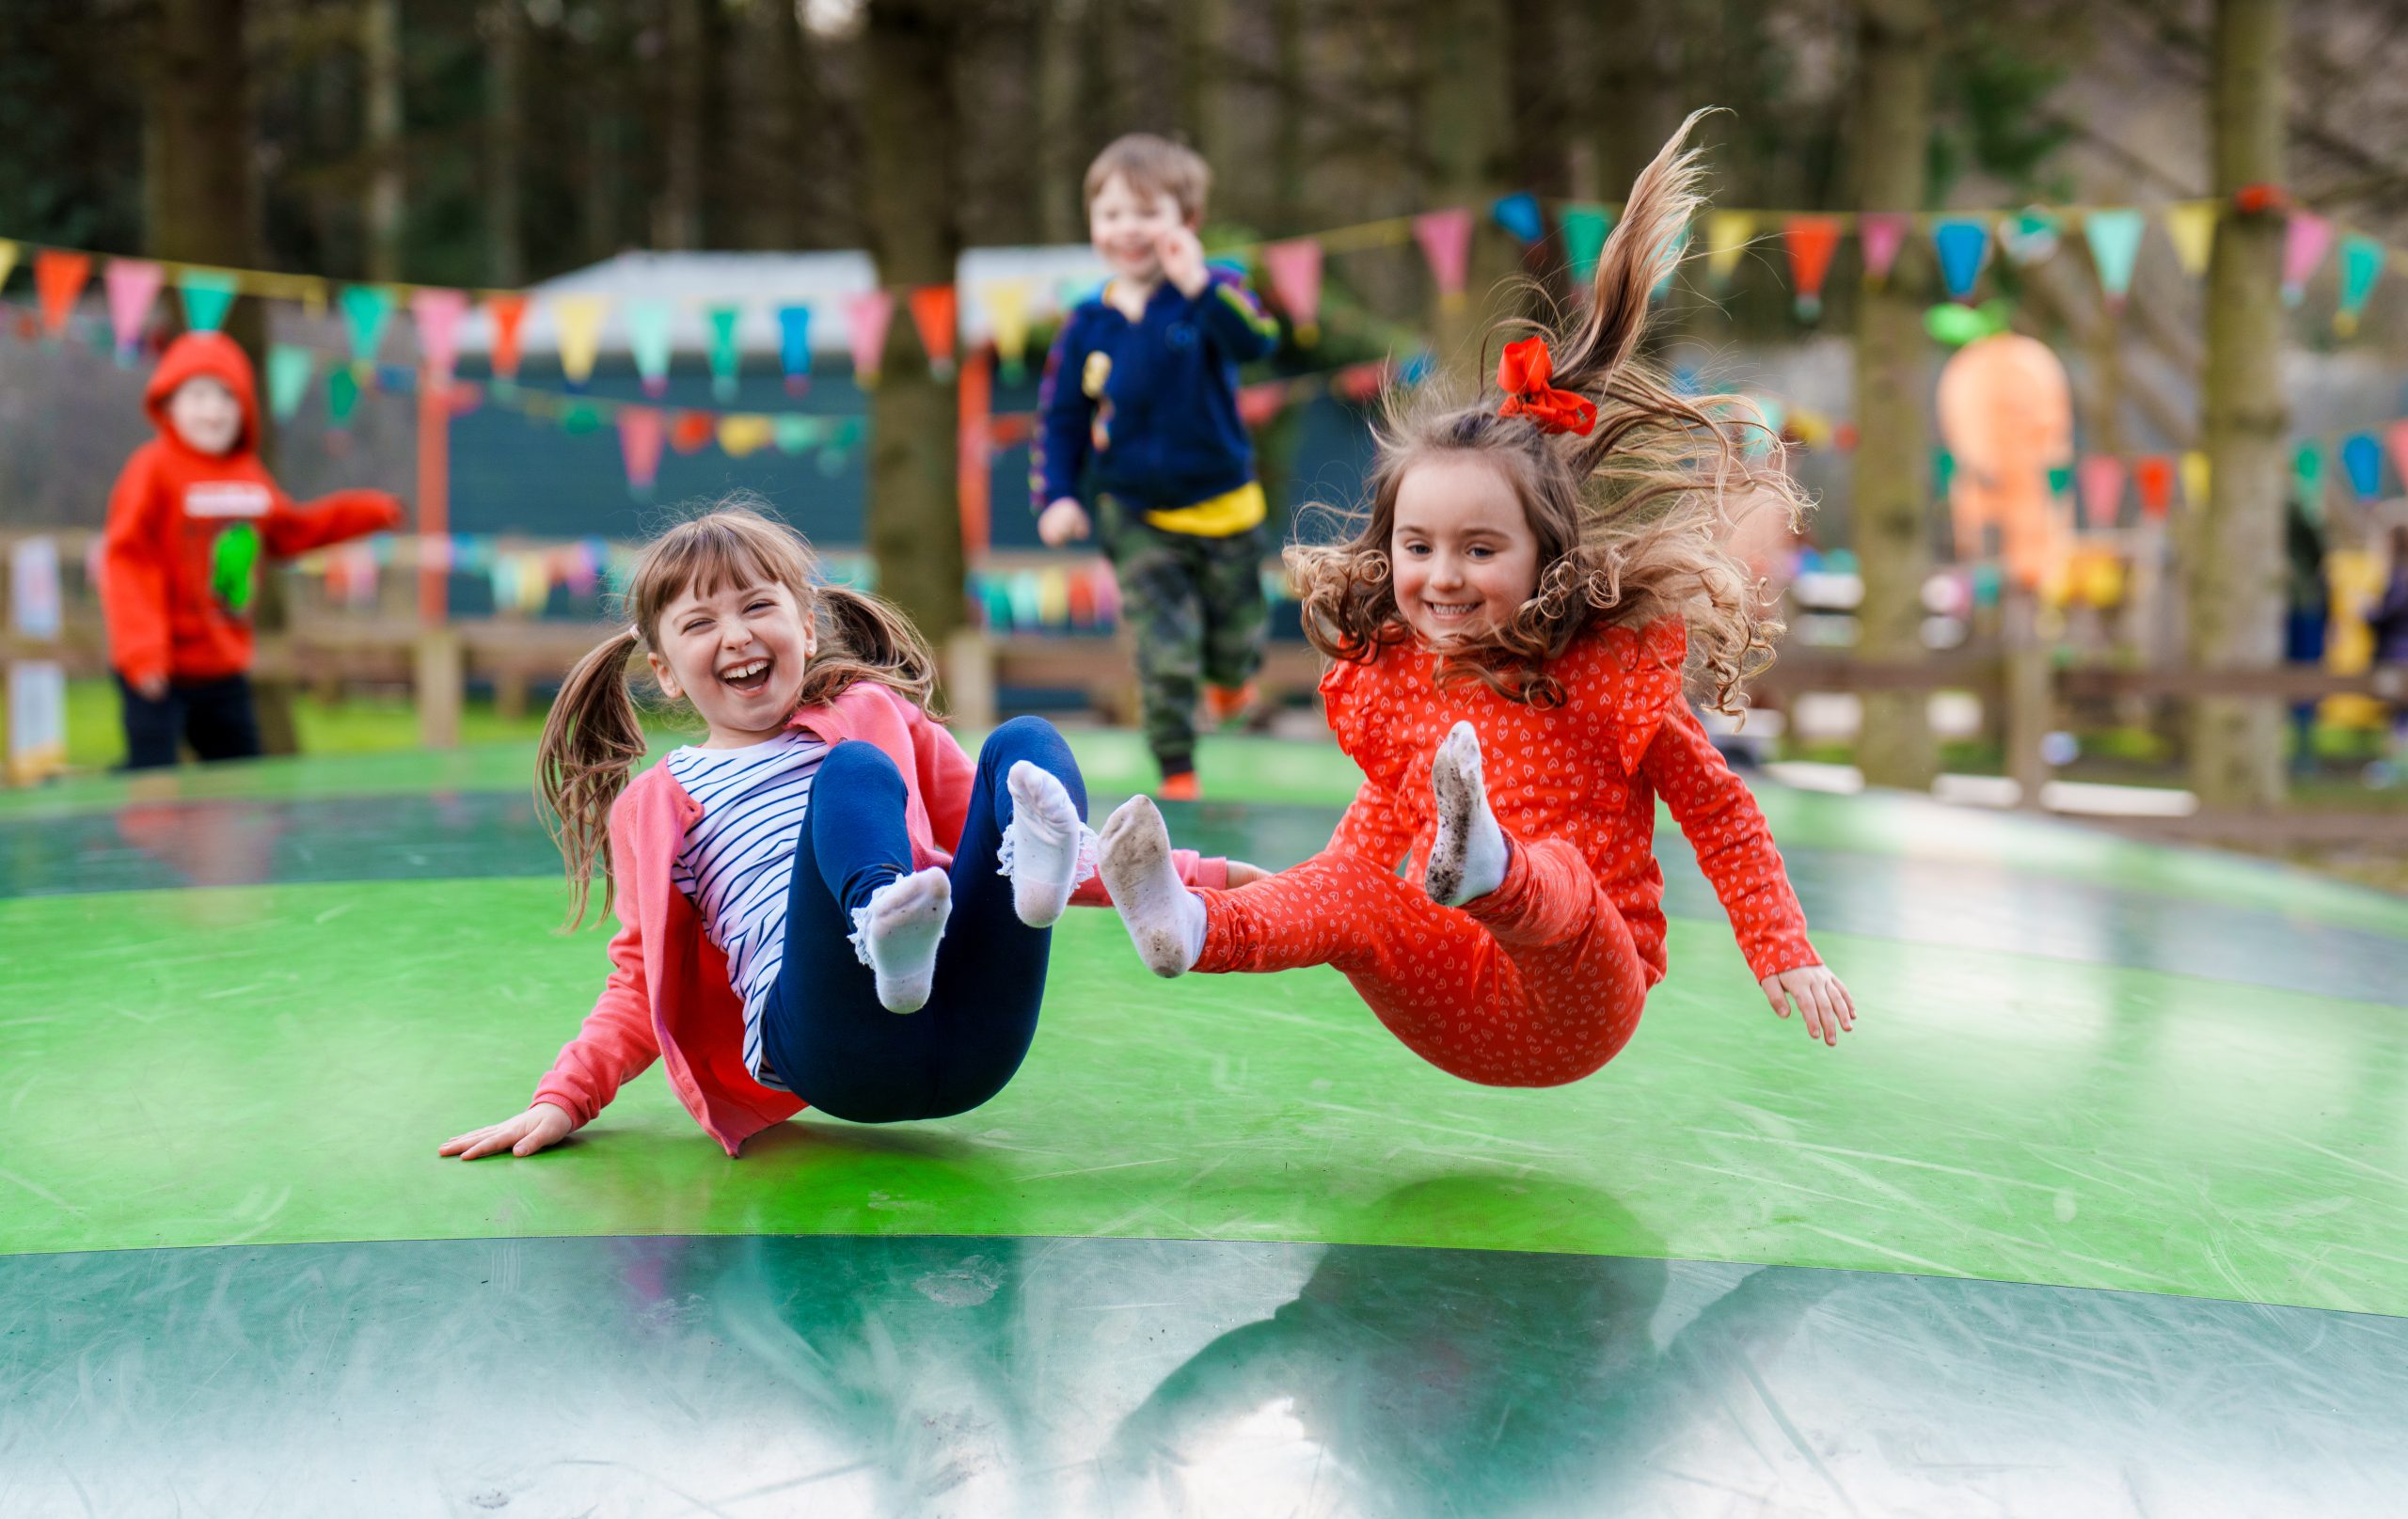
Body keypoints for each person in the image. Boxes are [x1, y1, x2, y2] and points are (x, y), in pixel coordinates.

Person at [1094, 113, 1856, 1092]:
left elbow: (1722, 813)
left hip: (1579, 1004)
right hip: (1449, 1009)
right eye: (1418, 547)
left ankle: (1493, 867)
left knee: (1569, 884)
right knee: (1357, 888)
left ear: (1545, 555)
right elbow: (1359, 863)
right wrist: (1268, 901)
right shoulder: (1403, 686)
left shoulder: (1604, 678)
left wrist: (1781, 945)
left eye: (1480, 548)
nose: (1442, 575)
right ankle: (1187, 930)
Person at [439, 504, 1236, 1162]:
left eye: (758, 607)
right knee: (851, 774)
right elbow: (637, 984)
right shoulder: (656, 803)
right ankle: (878, 920)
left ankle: (985, 911)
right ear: (667, 671)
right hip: (831, 1042)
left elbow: (999, 827)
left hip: (975, 1026)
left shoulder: (871, 710)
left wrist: (1201, 880)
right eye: (701, 622)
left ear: (807, 628)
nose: (738, 634)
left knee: (1024, 746)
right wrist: (563, 1099)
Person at [1032, 133, 1283, 801]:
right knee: (1161, 646)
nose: (1128, 230)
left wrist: (1198, 284)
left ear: (1186, 222)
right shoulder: (1087, 321)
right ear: (1093, 225)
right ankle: (1176, 769)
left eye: (1147, 213)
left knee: (1236, 632)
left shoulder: (1213, 293)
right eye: (1112, 214)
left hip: (1224, 501)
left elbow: (1257, 340)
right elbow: (1061, 417)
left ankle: (1232, 678)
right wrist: (1058, 493)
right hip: (1134, 510)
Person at [100, 330, 404, 768]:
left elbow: (291, 532)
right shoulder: (153, 469)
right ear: (168, 404)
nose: (214, 410)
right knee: (152, 778)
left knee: (239, 779)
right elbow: (128, 562)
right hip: (158, 667)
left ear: (245, 408)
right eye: (199, 395)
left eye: (227, 397)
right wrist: (142, 651)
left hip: (223, 666)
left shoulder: (248, 474)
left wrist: (369, 513)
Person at [2367, 523, 2408, 786]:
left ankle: (2396, 769)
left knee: (2399, 715)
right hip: (2397, 652)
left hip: (2399, 655)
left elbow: (2389, 614)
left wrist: (2367, 612)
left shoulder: (2401, 576)